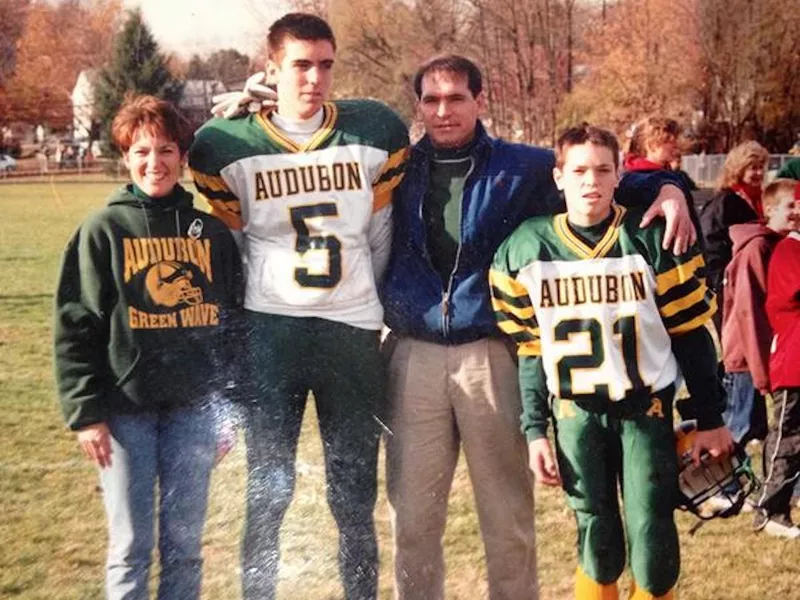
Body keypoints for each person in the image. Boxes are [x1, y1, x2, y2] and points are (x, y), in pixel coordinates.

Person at [379, 55, 697, 600]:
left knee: (507, 519)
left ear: (480, 99)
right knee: (412, 519)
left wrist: (668, 187)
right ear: (418, 107)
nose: (443, 110)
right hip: (416, 351)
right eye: (431, 100)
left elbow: (600, 179)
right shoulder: (396, 167)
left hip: (491, 350)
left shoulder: (519, 165)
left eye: (456, 98)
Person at [188, 13, 409, 600]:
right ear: (272, 68)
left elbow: (380, 236)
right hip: (272, 332)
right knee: (268, 491)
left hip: (352, 332)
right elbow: (229, 254)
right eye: (301, 65)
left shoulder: (372, 132)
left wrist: (368, 306)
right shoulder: (227, 144)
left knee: (353, 494)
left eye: (326, 64)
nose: (315, 77)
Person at [490, 124, 733, 599]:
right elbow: (532, 349)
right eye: (578, 170)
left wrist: (711, 417)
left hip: (645, 408)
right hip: (575, 412)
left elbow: (690, 336)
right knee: (596, 532)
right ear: (558, 177)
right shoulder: (525, 248)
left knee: (651, 530)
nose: (591, 182)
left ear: (619, 175)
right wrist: (535, 429)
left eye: (603, 170)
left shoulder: (648, 238)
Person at [53, 94, 243, 600]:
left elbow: (235, 328)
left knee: (184, 545)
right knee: (131, 545)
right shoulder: (103, 229)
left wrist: (230, 412)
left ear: (182, 157)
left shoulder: (211, 233)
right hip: (124, 413)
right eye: (141, 151)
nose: (153, 163)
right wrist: (85, 413)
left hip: (194, 413)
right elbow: (76, 326)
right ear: (125, 157)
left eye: (165, 151)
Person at [720, 179, 800, 444]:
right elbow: (748, 313)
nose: (796, 212)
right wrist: (760, 369)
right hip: (747, 357)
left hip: (766, 355)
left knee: (761, 433)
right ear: (769, 209)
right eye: (789, 206)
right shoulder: (757, 249)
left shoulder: (782, 246)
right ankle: (724, 486)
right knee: (737, 433)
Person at [757, 181, 800, 539]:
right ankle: (769, 508)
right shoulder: (788, 251)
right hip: (793, 362)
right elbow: (788, 295)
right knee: (787, 437)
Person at [699, 141, 769, 317]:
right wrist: (722, 282)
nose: (759, 173)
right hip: (730, 285)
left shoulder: (762, 199)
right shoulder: (724, 202)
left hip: (755, 280)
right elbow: (710, 244)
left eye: (761, 167)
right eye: (753, 168)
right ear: (739, 168)